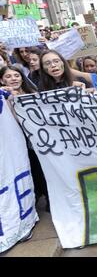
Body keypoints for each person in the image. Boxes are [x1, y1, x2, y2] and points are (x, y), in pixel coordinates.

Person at [0, 66, 49, 216]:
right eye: (8, 76)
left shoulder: (32, 94)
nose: (13, 78)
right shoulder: (3, 97)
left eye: (16, 75)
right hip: (15, 143)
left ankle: (47, 196)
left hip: (35, 140)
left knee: (41, 169)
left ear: (22, 77)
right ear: (2, 80)